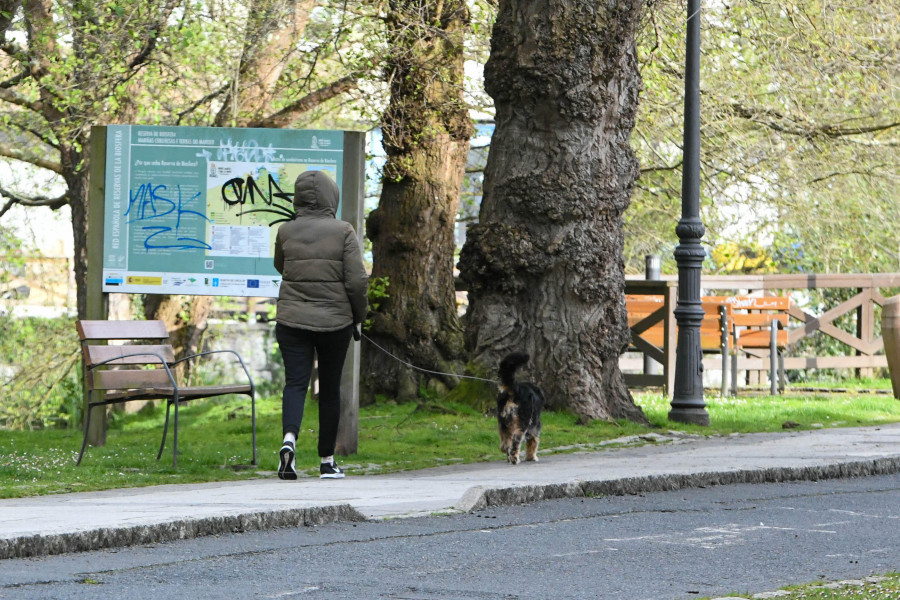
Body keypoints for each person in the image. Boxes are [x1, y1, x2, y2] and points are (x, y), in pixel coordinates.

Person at [273, 169, 367, 480]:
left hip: (291, 320)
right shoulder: (343, 231)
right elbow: (356, 281)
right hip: (334, 322)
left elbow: (281, 265)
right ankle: (327, 461)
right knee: (329, 389)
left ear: (298, 198)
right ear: (331, 196)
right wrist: (358, 317)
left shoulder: (286, 230)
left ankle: (289, 441)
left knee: (295, 384)